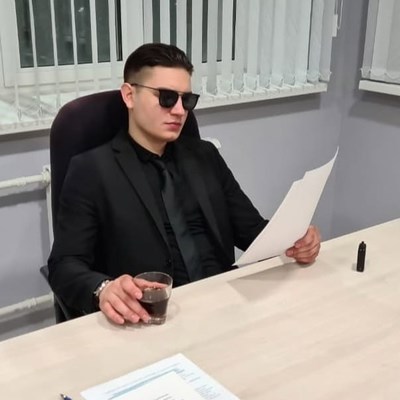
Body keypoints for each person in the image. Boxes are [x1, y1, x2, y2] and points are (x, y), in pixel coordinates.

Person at [48, 43, 321, 325]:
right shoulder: (92, 170)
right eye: (166, 98)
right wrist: (104, 289)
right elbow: (64, 265)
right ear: (129, 95)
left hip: (226, 306)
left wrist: (295, 239)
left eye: (187, 100)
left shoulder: (205, 156)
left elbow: (252, 231)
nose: (179, 111)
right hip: (151, 317)